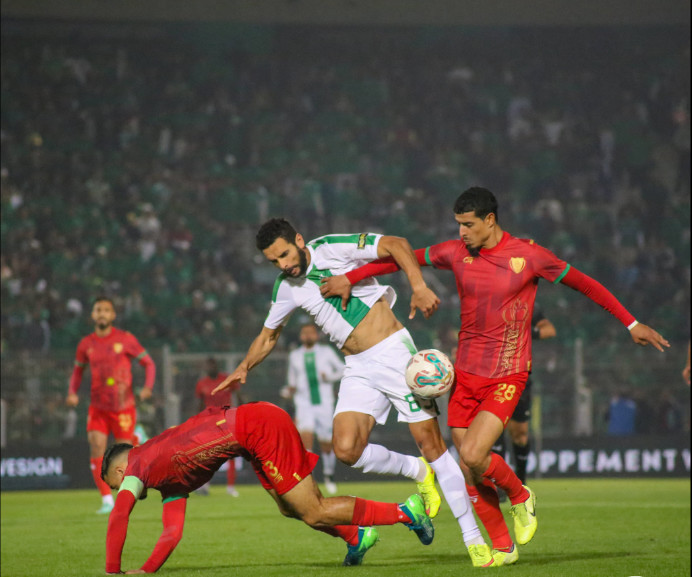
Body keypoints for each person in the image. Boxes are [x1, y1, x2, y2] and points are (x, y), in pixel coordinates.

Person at [321, 186, 670, 565]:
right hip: (464, 375)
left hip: (508, 373)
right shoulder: (455, 253)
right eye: (457, 225)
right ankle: (503, 546)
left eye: (468, 225)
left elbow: (584, 283)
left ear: (490, 220)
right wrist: (351, 278)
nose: (461, 233)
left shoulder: (529, 255)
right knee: (470, 471)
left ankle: (521, 494)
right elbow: (396, 260)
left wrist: (631, 322)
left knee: (473, 453)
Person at [212, 218, 497, 567]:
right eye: (274, 261)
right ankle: (417, 472)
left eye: (285, 254)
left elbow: (396, 243)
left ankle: (473, 539)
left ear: (299, 240)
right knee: (346, 449)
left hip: (394, 354)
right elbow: (268, 336)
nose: (284, 265)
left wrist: (418, 286)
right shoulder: (285, 287)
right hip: (357, 367)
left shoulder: (331, 248)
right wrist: (244, 367)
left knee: (433, 445)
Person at [101, 401, 434, 573]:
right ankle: (356, 536)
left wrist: (112, 572)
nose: (121, 490)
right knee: (290, 508)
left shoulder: (139, 464)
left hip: (256, 427)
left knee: (313, 509)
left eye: (116, 484)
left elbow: (119, 515)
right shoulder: (166, 479)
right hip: (250, 436)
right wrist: (146, 570)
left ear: (120, 469)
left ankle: (406, 512)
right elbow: (172, 533)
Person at [66, 296, 156, 514]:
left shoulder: (125, 339)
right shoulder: (86, 344)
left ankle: (135, 439)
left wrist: (147, 387)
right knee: (96, 447)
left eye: (106, 310)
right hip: (98, 408)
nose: (102, 314)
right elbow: (78, 371)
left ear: (113, 315)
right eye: (99, 310)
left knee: (123, 454)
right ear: (93, 315)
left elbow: (148, 363)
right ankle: (107, 499)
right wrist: (72, 392)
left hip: (123, 406)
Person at [492, 306, 556, 493]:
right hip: (493, 376)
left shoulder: (524, 307)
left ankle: (520, 479)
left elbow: (550, 330)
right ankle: (499, 483)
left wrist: (526, 331)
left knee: (519, 433)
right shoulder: (489, 304)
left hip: (520, 377)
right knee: (495, 430)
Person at [283, 323, 344, 495]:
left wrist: (329, 377)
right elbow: (292, 381)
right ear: (301, 336)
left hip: (324, 403)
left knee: (326, 443)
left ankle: (329, 475)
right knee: (306, 439)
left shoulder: (326, 352)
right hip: (303, 403)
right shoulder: (294, 356)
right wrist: (289, 390)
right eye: (304, 333)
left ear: (316, 335)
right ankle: (308, 480)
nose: (307, 336)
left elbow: (343, 369)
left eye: (310, 333)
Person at [194, 356, 245, 496]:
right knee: (206, 454)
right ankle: (204, 485)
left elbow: (238, 395)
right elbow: (199, 404)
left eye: (212, 365)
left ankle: (230, 487)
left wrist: (244, 411)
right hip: (209, 422)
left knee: (232, 453)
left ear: (217, 366)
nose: (210, 368)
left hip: (226, 420)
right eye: (208, 366)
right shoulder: (201, 384)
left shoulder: (227, 379)